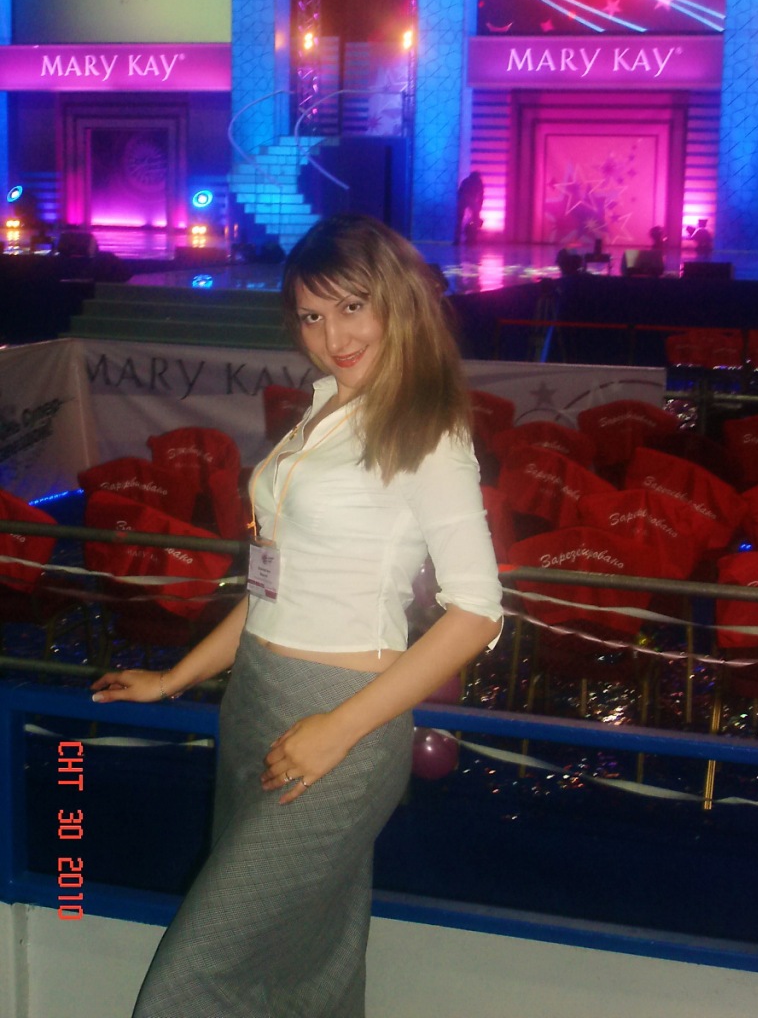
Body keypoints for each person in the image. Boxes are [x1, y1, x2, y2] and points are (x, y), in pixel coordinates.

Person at [91, 213, 503, 1018]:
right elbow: (270, 587)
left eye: (352, 307)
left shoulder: (427, 432)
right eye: (312, 316)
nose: (332, 336)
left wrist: (339, 730)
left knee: (192, 979)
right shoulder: (319, 414)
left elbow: (477, 614)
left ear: (396, 302)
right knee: (309, 964)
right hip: (256, 700)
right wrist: (175, 678)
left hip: (342, 718)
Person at [453, 171, 484, 244]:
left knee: (460, 220)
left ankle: (457, 239)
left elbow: (460, 192)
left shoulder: (466, 181)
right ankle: (472, 238)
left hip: (463, 199)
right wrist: (479, 206)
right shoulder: (478, 182)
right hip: (471, 199)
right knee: (475, 218)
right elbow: (481, 195)